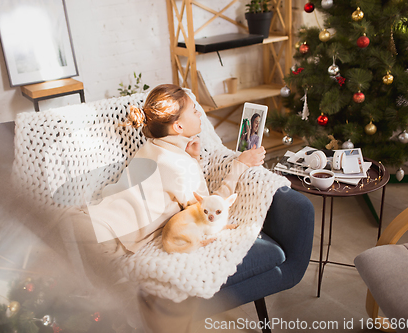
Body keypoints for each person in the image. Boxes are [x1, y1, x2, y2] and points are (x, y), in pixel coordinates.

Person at [58, 84, 266, 332]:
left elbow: (178, 183)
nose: (200, 113)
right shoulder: (180, 166)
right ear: (178, 127)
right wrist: (239, 165)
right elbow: (210, 207)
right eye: (194, 110)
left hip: (86, 219)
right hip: (101, 238)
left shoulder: (151, 146)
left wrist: (193, 159)